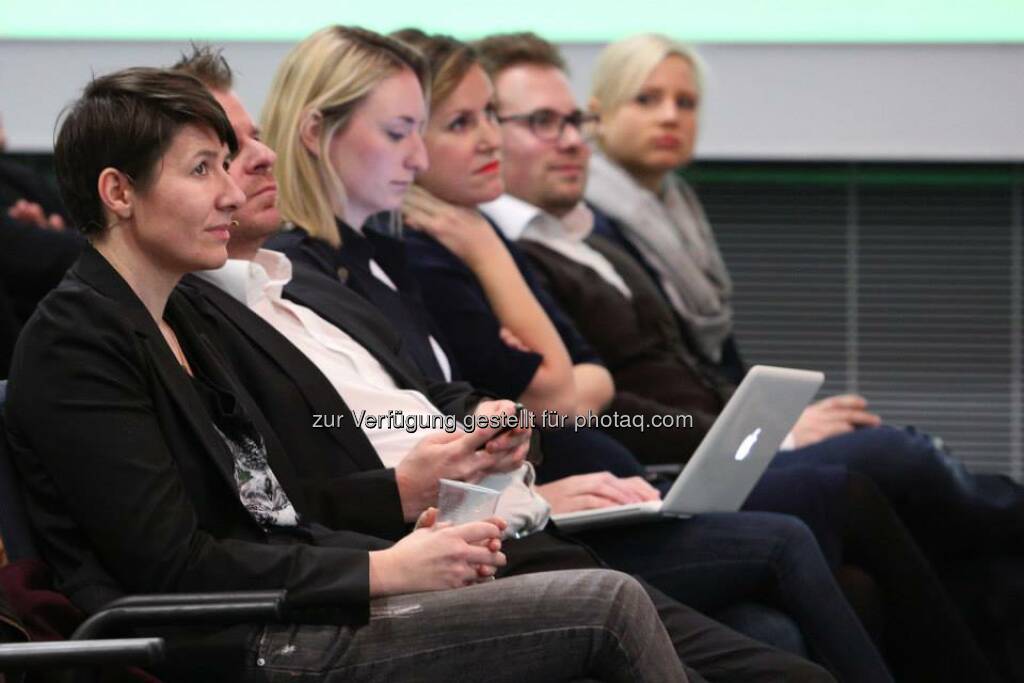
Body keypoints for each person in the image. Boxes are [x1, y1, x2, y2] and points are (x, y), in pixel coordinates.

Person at [1, 65, 692, 683]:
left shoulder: (184, 315)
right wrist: (382, 568)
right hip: (227, 639)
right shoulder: (76, 341)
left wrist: (415, 544)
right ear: (119, 192)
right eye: (202, 169)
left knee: (573, 584)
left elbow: (275, 509)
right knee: (606, 607)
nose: (230, 196)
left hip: (287, 607)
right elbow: (170, 566)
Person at [252, 27, 893, 680]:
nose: (424, 155)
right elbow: (541, 396)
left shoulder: (381, 260)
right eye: (411, 131)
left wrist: (506, 428)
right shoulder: (307, 279)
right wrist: (524, 458)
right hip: (508, 539)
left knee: (800, 594)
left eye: (489, 119)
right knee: (825, 514)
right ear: (315, 132)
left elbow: (558, 386)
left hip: (545, 519)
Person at [473, 30, 1012, 682]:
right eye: (540, 122)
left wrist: (757, 425)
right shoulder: (501, 252)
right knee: (881, 467)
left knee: (900, 553)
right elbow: (585, 396)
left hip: (680, 457)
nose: (569, 139)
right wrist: (768, 435)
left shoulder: (598, 232)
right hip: (642, 474)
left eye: (571, 121)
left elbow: (680, 366)